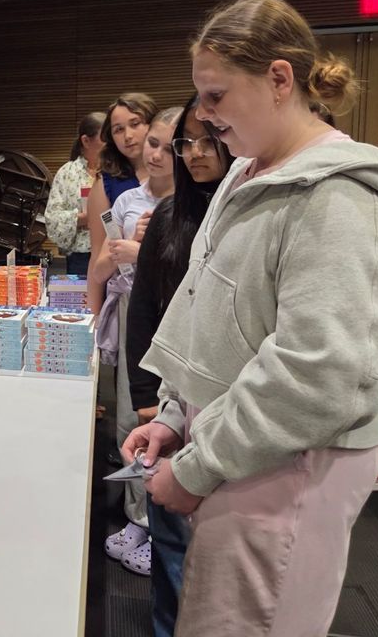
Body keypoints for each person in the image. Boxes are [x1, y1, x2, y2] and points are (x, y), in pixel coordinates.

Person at [123, 0, 378, 636]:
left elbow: (324, 373)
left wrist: (198, 465)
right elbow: (212, 313)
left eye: (216, 96)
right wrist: (177, 413)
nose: (205, 115)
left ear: (280, 79)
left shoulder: (341, 195)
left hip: (290, 465)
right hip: (242, 448)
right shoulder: (246, 173)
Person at [124, 95, 233, 635]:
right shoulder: (170, 214)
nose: (195, 153)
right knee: (168, 535)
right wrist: (148, 397)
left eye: (208, 141)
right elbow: (144, 308)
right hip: (172, 392)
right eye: (186, 143)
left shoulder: (243, 215)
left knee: (217, 550)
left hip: (226, 401)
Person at [100, 107, 177, 575]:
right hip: (137, 312)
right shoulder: (127, 199)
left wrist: (144, 249)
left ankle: (161, 525)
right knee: (133, 417)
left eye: (170, 147)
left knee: (172, 419)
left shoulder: (196, 203)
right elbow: (107, 258)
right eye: (154, 144)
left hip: (177, 318)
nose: (156, 154)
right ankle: (137, 517)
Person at [86, 93, 157, 316]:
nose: (128, 136)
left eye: (135, 124)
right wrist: (94, 317)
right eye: (118, 130)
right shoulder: (106, 183)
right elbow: (98, 253)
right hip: (125, 297)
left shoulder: (177, 176)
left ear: (152, 124)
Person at [44, 112, 106, 276]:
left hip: (113, 251)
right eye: (105, 137)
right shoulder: (67, 173)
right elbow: (52, 218)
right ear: (86, 141)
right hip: (80, 257)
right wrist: (83, 218)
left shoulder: (116, 171)